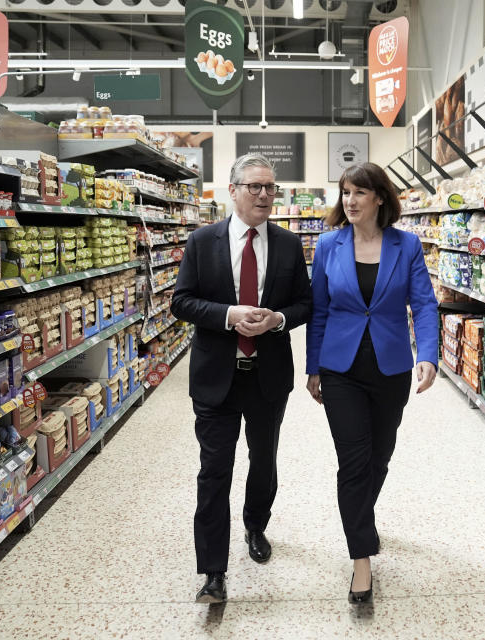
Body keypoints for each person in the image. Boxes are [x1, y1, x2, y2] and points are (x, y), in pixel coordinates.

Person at [171, 153, 312, 604]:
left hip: (267, 377)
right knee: (214, 471)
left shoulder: (288, 245)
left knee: (263, 461)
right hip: (216, 377)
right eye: (255, 187)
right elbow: (182, 302)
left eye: (271, 187)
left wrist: (276, 321)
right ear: (231, 191)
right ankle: (212, 571)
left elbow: (305, 305)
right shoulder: (202, 241)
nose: (265, 195)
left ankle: (255, 525)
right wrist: (229, 315)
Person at [305, 162, 439, 604]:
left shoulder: (407, 245)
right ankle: (361, 559)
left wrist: (429, 357)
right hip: (341, 368)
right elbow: (319, 311)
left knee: (380, 457)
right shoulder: (328, 245)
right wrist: (313, 367)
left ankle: (363, 516)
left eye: (359, 192)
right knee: (354, 461)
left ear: (380, 198)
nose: (350, 200)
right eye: (345, 192)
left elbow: (423, 305)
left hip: (390, 368)